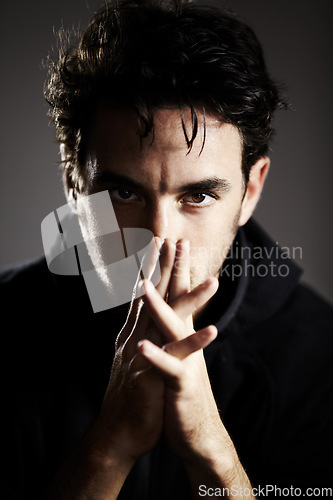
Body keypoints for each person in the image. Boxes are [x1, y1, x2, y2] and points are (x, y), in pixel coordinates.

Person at [1, 0, 332, 498]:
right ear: (74, 185)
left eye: (197, 195)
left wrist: (209, 448)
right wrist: (109, 446)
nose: (160, 238)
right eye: (123, 193)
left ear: (251, 190)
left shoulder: (321, 358)